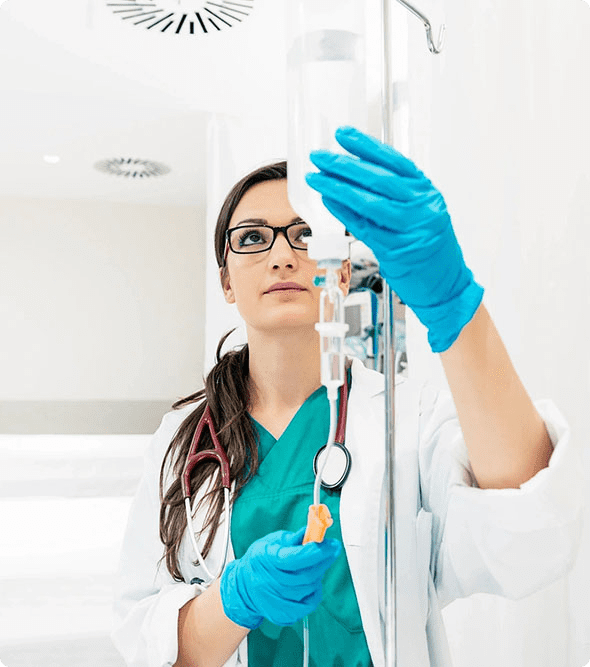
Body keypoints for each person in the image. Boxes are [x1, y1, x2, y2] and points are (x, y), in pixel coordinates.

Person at [111, 127, 584, 667]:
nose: (283, 256)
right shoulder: (183, 441)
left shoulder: (403, 417)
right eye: (252, 238)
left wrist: (455, 307)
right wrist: (232, 602)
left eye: (306, 235)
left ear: (339, 268)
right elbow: (146, 644)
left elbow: (532, 535)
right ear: (226, 281)